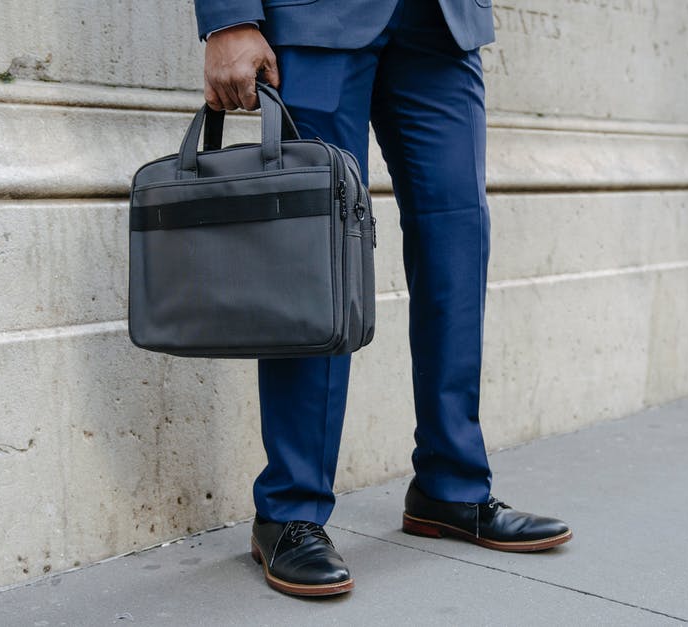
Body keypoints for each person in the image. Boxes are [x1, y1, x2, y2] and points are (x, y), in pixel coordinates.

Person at [193, 0, 572, 597]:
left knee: (458, 241)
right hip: (315, 18)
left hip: (442, 24)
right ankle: (290, 510)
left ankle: (451, 487)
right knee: (314, 257)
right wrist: (228, 16)